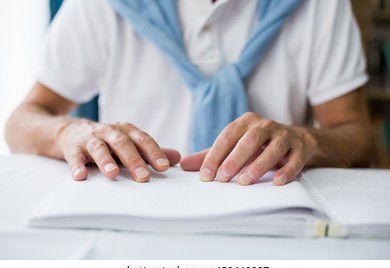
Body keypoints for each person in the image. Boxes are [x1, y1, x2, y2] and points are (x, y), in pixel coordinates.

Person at [5, 0, 374, 186]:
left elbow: (358, 138)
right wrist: (71, 132)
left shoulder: (321, 5)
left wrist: (306, 140)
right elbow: (22, 120)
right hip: (132, 218)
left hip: (274, 219)